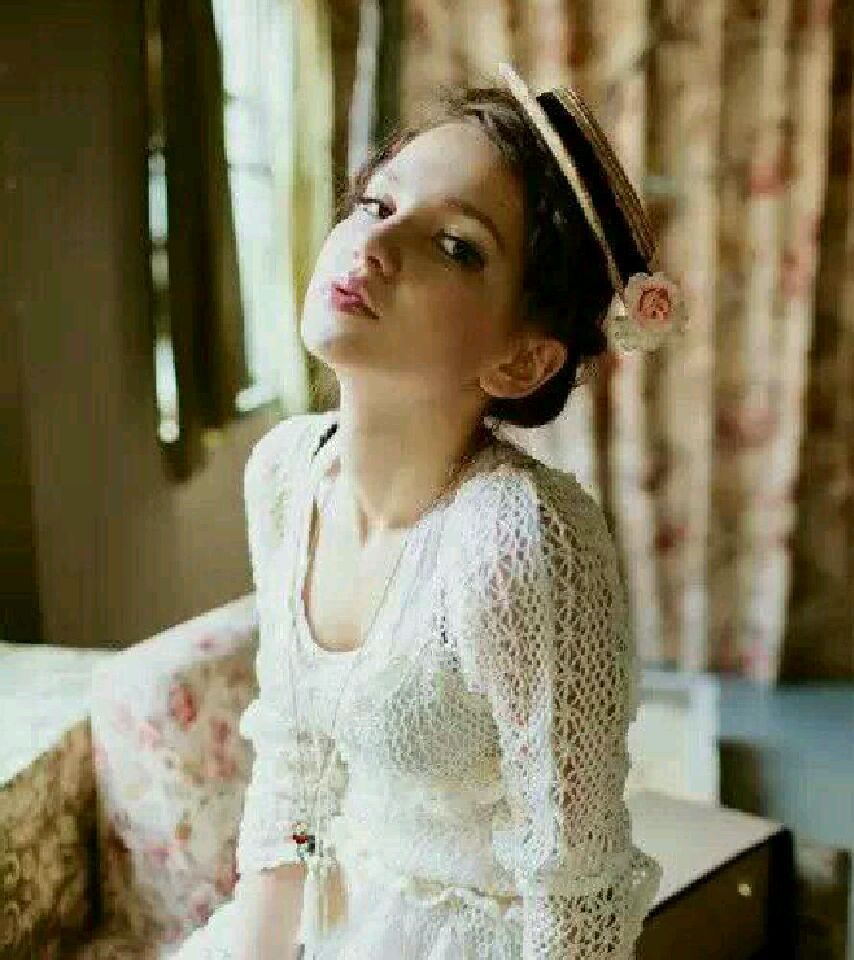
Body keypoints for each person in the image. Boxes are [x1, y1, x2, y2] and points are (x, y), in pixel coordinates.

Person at [173, 62, 684, 960]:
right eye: (376, 203)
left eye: (456, 246)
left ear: (521, 362)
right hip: (343, 904)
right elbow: (295, 764)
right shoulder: (286, 473)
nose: (374, 244)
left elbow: (574, 894)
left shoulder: (521, 542)